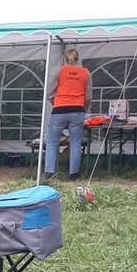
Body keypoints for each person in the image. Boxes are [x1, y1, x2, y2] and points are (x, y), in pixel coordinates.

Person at [43, 45, 89, 182]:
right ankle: (73, 174)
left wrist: (56, 104)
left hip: (59, 109)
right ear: (78, 59)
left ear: (65, 59)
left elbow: (49, 92)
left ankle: (49, 173)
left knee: (52, 142)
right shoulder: (85, 73)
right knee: (75, 143)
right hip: (77, 110)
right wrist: (83, 109)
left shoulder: (59, 71)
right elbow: (88, 96)